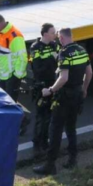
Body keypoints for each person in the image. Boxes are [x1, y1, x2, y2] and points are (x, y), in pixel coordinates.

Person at [33, 28, 92, 175]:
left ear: (62, 38)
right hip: (77, 93)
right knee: (71, 128)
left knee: (55, 129)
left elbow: (63, 77)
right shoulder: (82, 50)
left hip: (64, 96)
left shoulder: (64, 52)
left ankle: (50, 164)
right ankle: (72, 159)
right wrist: (84, 89)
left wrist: (51, 90)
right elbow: (89, 72)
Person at [0, 13, 31, 134]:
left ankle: (20, 125)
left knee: (10, 103)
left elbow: (22, 58)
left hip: (12, 76)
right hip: (3, 74)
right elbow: (0, 54)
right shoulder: (0, 32)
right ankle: (21, 121)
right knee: (5, 101)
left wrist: (16, 76)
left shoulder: (15, 36)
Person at [28, 23, 60, 160]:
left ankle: (45, 142)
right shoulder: (35, 47)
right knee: (41, 116)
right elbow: (37, 68)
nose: (55, 34)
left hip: (53, 84)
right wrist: (51, 58)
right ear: (45, 34)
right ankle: (37, 145)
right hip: (41, 86)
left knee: (51, 116)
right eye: (53, 32)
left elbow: (59, 63)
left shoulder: (55, 45)